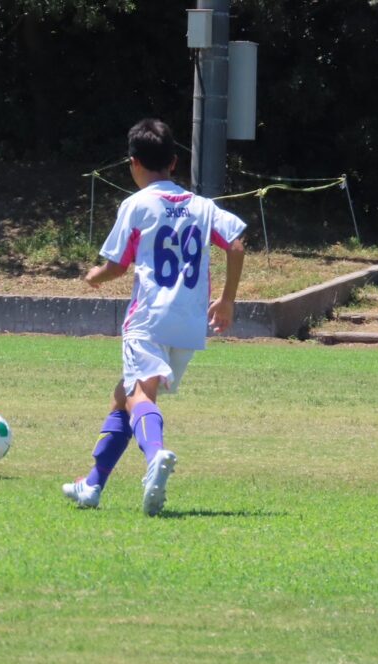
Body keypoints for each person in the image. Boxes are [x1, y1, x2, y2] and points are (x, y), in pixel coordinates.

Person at [62, 118, 246, 516]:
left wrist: (94, 276)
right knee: (123, 397)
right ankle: (92, 484)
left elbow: (117, 266)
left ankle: (155, 456)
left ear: (133, 163)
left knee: (140, 397)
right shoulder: (201, 206)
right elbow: (235, 245)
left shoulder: (136, 205)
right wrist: (227, 300)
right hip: (189, 324)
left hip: (148, 318)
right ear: (174, 162)